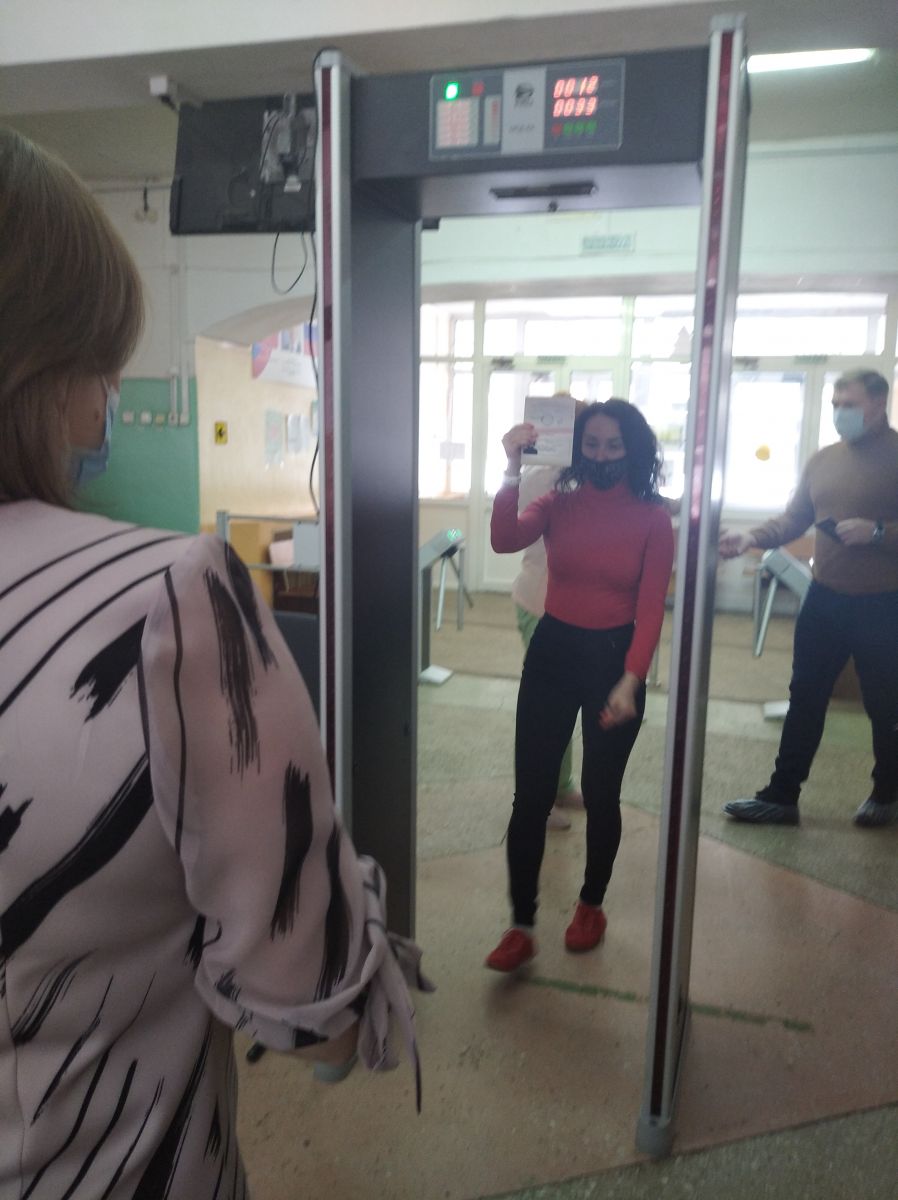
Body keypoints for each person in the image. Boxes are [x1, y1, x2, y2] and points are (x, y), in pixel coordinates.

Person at [0, 128, 428, 1199]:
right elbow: (314, 1010)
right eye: (105, 364)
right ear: (54, 372)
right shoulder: (168, 598)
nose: (109, 399)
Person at [485, 400, 674, 972]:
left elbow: (651, 608)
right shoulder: (558, 503)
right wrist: (510, 468)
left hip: (615, 663)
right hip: (554, 652)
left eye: (614, 446)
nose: (602, 455)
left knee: (600, 791)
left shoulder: (653, 518)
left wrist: (631, 680)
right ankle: (521, 925)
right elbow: (503, 539)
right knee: (530, 796)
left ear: (633, 451)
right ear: (577, 448)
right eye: (591, 445)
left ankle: (591, 905)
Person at [719, 369, 898, 828]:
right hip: (825, 598)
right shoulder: (823, 460)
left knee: (885, 705)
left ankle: (886, 791)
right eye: (835, 403)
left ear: (878, 403)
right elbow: (794, 518)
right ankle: (782, 796)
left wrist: (878, 532)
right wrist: (751, 537)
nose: (839, 412)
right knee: (805, 695)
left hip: (884, 603)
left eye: (849, 404)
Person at [513, 397, 588, 833]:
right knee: (544, 708)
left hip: (570, 610)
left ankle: (560, 785)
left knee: (566, 702)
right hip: (539, 605)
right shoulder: (540, 477)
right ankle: (536, 800)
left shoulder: (583, 478)